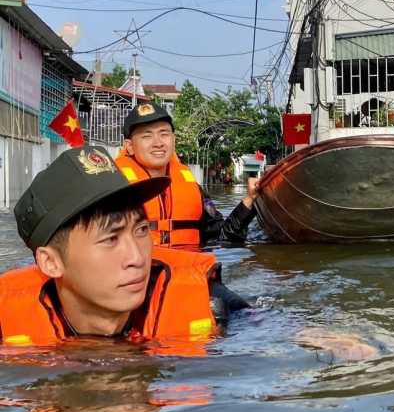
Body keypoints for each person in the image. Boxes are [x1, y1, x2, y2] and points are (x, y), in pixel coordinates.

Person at [0, 147, 249, 347]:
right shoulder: (5, 327)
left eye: (141, 230)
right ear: (51, 262)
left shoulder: (212, 303)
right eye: (110, 239)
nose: (137, 257)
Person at [115, 102, 259, 248]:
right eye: (147, 136)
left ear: (173, 140)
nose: (158, 143)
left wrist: (249, 199)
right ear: (130, 146)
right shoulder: (113, 187)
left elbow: (224, 236)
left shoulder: (193, 189)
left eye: (164, 134)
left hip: (188, 267)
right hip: (141, 269)